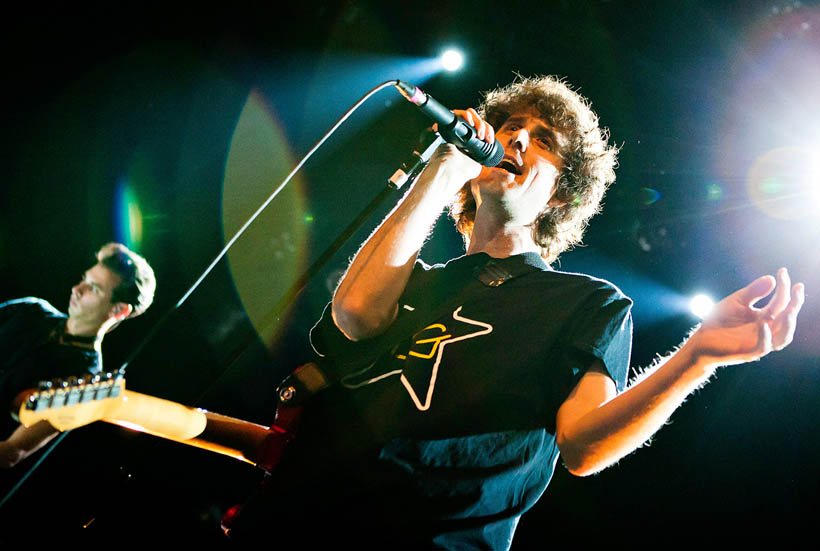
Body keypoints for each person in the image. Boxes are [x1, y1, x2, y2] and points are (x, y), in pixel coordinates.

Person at [229, 76, 804, 549]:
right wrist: (444, 170)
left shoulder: (587, 303)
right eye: (509, 128)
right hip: (291, 525)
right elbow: (355, 313)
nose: (517, 140)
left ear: (560, 194)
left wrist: (697, 356)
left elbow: (582, 447)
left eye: (542, 138)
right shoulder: (410, 278)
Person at [0, 242, 156, 468]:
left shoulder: (84, 385)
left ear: (118, 310)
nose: (77, 288)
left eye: (94, 288)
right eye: (85, 278)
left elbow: (13, 451)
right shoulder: (30, 309)